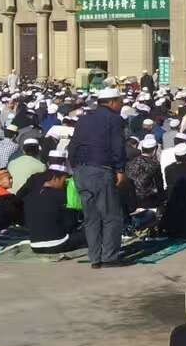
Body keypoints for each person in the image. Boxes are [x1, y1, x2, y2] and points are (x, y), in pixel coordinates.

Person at [68, 88, 128, 269]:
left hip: (81, 171)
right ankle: (109, 256)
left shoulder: (84, 118)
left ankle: (95, 258)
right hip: (100, 170)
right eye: (120, 101)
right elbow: (118, 147)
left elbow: (73, 146)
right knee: (111, 215)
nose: (121, 104)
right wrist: (120, 170)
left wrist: (76, 168)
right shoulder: (115, 119)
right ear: (111, 102)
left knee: (91, 217)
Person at [24, 163, 85, 254]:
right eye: (64, 181)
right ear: (55, 178)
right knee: (90, 233)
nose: (65, 184)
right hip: (57, 244)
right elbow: (70, 223)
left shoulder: (30, 196)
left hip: (35, 245)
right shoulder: (60, 196)